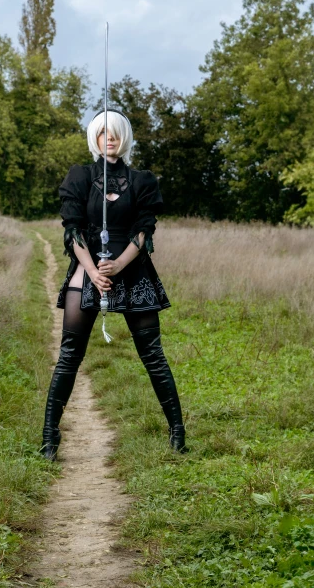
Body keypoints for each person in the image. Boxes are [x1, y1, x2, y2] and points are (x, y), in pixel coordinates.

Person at [39, 109, 188, 461]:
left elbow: (144, 231)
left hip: (133, 270)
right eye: (103, 132)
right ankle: (49, 439)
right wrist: (93, 271)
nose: (110, 137)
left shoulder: (141, 181)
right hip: (89, 269)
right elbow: (72, 231)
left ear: (125, 137)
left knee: (153, 356)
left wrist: (120, 263)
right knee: (69, 357)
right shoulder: (80, 177)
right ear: (95, 136)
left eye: (116, 132)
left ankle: (178, 434)